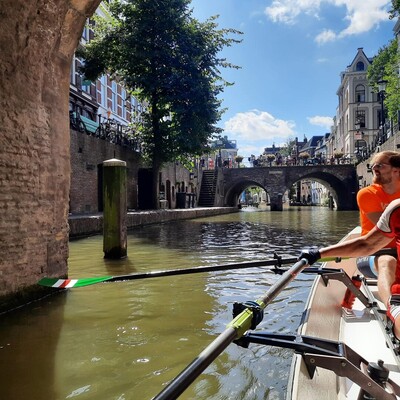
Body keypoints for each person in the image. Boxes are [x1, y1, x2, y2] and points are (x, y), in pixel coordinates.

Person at [299, 198, 400, 338]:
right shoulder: (396, 210)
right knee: (386, 261)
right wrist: (318, 254)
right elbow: (366, 245)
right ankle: (391, 310)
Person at [356, 151, 400, 306]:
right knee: (387, 261)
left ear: (396, 170)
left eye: (380, 165)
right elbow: (388, 228)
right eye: (372, 165)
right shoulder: (367, 194)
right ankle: (393, 309)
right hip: (371, 254)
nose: (374, 167)